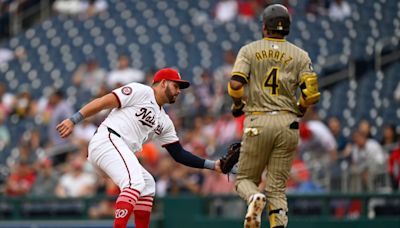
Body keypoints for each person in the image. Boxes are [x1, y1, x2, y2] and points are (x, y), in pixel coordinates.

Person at [57, 68, 221, 228]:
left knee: (148, 184)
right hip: (107, 140)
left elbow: (179, 154)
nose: (179, 91)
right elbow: (102, 102)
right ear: (163, 83)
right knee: (134, 182)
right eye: (176, 86)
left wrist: (213, 165)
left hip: (117, 153)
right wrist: (74, 119)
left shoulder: (165, 121)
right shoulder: (141, 91)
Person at [227, 4, 320, 228]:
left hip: (258, 120)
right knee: (277, 188)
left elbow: (235, 84)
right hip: (288, 123)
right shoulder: (300, 55)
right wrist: (300, 109)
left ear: (264, 26)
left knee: (245, 180)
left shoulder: (249, 50)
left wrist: (238, 104)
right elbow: (310, 94)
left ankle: (253, 198)